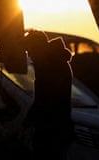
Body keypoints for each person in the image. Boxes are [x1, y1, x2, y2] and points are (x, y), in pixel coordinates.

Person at [22, 29, 74, 159]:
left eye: (31, 51)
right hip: (56, 130)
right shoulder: (53, 63)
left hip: (52, 132)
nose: (30, 56)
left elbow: (44, 101)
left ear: (38, 48)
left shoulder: (51, 67)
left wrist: (25, 124)